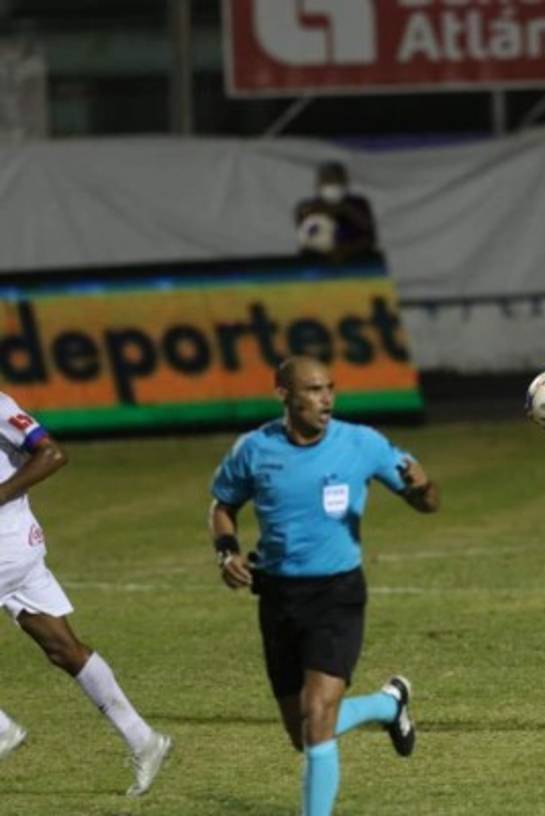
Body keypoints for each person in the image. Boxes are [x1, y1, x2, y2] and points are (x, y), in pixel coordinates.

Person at [208, 355, 439, 816]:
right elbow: (222, 504)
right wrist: (227, 551)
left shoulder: (361, 443)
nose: (326, 398)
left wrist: (421, 486)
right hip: (276, 598)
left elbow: (427, 503)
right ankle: (389, 706)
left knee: (318, 718)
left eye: (330, 388)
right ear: (284, 395)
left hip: (336, 594)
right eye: (314, 390)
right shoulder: (254, 450)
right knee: (304, 733)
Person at [0, 393, 170, 796]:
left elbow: (51, 454)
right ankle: (144, 739)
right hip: (18, 547)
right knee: (62, 647)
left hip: (4, 545)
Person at [294, 161, 378, 261]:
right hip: (316, 263)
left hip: (357, 262)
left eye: (336, 180)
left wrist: (346, 250)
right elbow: (305, 239)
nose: (332, 184)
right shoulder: (307, 207)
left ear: (345, 182)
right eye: (327, 180)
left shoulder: (359, 204)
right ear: (318, 184)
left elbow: (370, 237)